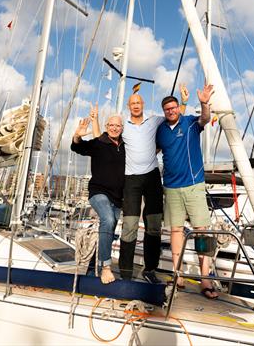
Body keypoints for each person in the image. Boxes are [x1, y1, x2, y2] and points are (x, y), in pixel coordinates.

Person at [92, 87, 189, 282]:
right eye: (133, 103)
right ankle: (126, 272)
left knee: (153, 226)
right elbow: (100, 140)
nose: (136, 106)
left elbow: (174, 118)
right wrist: (94, 119)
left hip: (152, 177)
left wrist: (184, 102)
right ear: (129, 107)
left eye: (139, 103)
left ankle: (150, 270)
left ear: (143, 105)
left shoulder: (154, 120)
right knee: (129, 225)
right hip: (131, 180)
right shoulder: (123, 125)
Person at [155, 83, 218, 299]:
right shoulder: (161, 130)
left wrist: (204, 103)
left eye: (174, 108)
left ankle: (206, 279)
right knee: (175, 230)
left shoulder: (190, 122)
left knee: (202, 230)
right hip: (171, 187)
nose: (171, 111)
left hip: (193, 184)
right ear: (164, 112)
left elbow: (205, 119)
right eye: (167, 109)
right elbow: (153, 150)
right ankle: (177, 273)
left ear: (177, 109)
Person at [71, 114, 125, 283]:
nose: (114, 128)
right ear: (106, 126)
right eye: (111, 125)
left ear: (122, 128)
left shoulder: (126, 146)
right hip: (98, 192)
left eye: (118, 125)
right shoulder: (99, 143)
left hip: (118, 197)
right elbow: (77, 147)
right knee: (108, 219)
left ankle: (91, 268)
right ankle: (106, 268)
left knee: (108, 232)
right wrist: (77, 136)